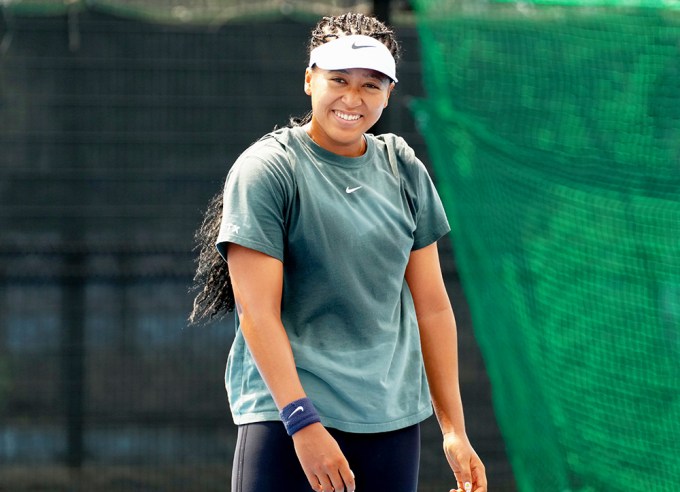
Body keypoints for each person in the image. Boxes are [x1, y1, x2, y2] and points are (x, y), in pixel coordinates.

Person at [190, 12, 487, 492]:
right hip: (286, 420)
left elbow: (432, 306)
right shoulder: (268, 168)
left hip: (390, 423)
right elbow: (256, 312)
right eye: (339, 80)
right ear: (310, 81)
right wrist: (302, 423)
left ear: (389, 92)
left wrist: (453, 431)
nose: (353, 98)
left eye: (371, 85)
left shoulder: (404, 169)